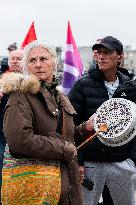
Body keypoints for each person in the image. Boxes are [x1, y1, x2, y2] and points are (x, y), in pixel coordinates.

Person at [1, 41, 84, 205]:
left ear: (54, 62)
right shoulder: (20, 95)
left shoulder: (60, 96)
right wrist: (63, 149)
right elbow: (20, 141)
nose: (38, 65)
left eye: (43, 59)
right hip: (35, 187)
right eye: (32, 60)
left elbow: (65, 135)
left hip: (64, 183)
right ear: (26, 66)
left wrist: (86, 128)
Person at [69, 36, 136, 205]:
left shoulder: (130, 86)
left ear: (120, 57)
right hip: (91, 163)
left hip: (122, 162)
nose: (101, 56)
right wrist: (79, 161)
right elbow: (70, 125)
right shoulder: (82, 85)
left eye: (107, 52)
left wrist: (132, 160)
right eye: (99, 52)